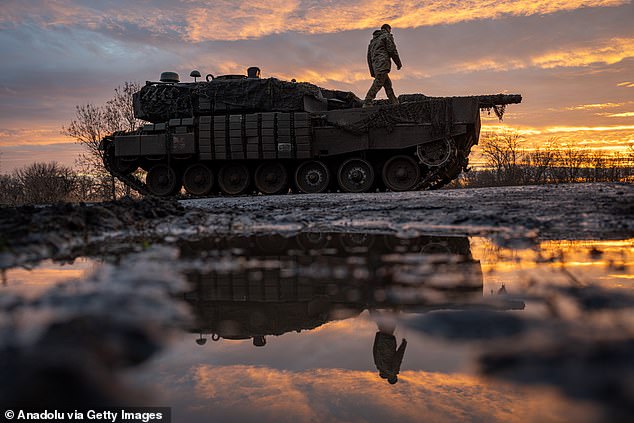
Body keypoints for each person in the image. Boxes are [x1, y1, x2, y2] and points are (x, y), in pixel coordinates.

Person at [364, 23, 402, 107]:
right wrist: (398, 63)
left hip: (376, 66)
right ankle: (368, 101)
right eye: (390, 30)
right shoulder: (386, 36)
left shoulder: (372, 42)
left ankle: (395, 103)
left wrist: (372, 71)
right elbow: (392, 50)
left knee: (388, 85)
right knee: (379, 82)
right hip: (383, 63)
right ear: (388, 29)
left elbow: (369, 57)